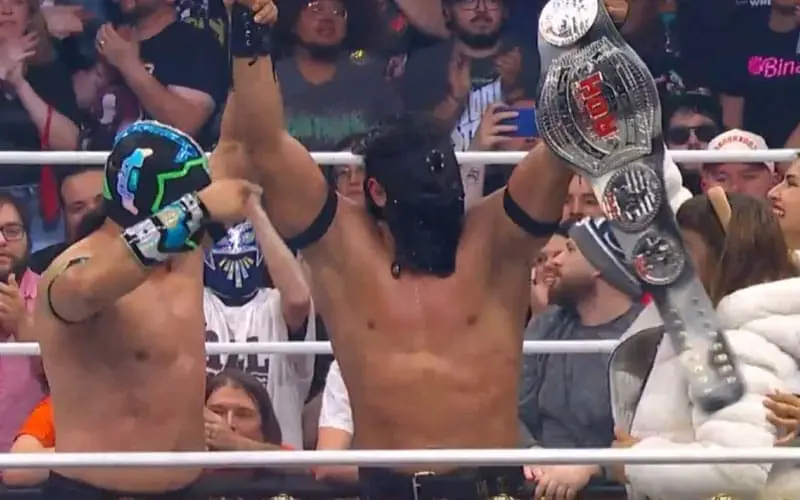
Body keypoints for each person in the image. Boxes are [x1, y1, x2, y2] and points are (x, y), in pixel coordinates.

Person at [215, 0, 693, 498]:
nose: (438, 196)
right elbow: (265, 143)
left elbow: (566, 133)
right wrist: (249, 30)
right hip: (389, 488)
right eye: (421, 187)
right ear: (375, 192)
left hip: (489, 485)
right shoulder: (341, 244)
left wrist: (600, 36)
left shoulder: (497, 237)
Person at [32, 119, 262, 497]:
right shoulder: (72, 271)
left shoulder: (185, 256)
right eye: (188, 200)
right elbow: (88, 289)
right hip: (95, 490)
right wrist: (198, 208)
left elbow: (237, 143)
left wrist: (248, 70)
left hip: (187, 487)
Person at [609, 188, 800, 499]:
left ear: (726, 259)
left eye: (684, 248)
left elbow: (736, 471)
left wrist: (637, 462)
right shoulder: (707, 329)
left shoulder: (739, 346)